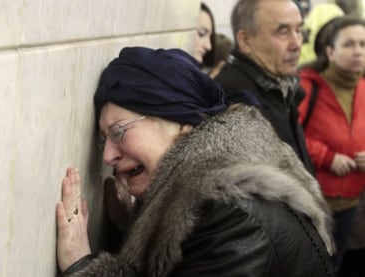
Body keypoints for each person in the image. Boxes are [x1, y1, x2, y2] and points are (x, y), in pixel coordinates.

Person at [56, 46, 335, 276]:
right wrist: (134, 226)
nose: (108, 156)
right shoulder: (210, 194)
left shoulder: (230, 215)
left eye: (119, 131)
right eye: (105, 139)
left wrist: (80, 263)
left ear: (180, 122)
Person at [297, 16, 365, 276]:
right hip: (314, 203)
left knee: (336, 267)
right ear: (330, 51)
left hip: (351, 202)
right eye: (349, 44)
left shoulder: (363, 87)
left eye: (363, 44)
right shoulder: (308, 86)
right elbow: (291, 137)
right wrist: (326, 157)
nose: (358, 51)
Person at [214, 0, 314, 175]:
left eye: (298, 30)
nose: (297, 43)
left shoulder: (281, 86)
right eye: (283, 32)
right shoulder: (233, 100)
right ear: (245, 41)